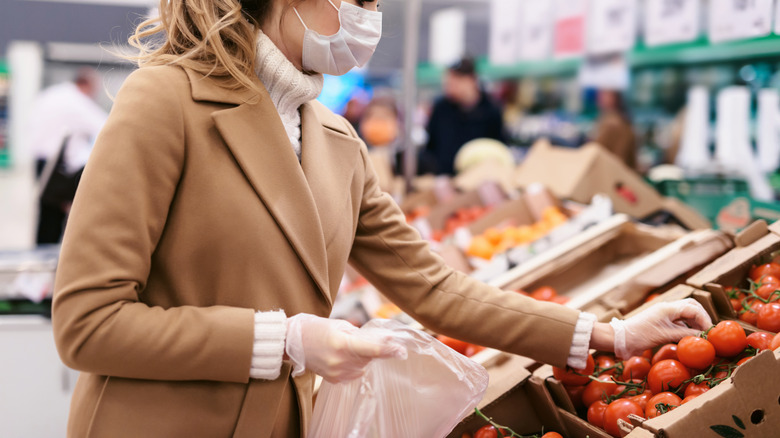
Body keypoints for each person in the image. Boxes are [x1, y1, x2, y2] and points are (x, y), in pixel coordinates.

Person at [51, 1, 711, 437]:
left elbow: (436, 288)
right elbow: (88, 323)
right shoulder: (165, 100)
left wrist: (611, 335)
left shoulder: (336, 141)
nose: (370, 17)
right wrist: (289, 342)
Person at [28, 67, 108, 244]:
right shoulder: (77, 101)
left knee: (46, 213)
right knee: (58, 215)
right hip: (59, 167)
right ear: (87, 84)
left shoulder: (50, 95)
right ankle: (52, 257)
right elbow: (106, 127)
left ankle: (42, 253)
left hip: (40, 160)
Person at [421, 57, 506, 175]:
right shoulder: (441, 109)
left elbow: (499, 147)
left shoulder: (491, 110)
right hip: (445, 179)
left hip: (480, 178)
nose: (450, 85)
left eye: (456, 80)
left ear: (471, 80)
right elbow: (431, 146)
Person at [591, 88, 637, 169]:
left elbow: (598, 150)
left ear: (614, 98)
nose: (599, 98)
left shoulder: (613, 123)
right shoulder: (610, 118)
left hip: (614, 172)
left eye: (604, 95)